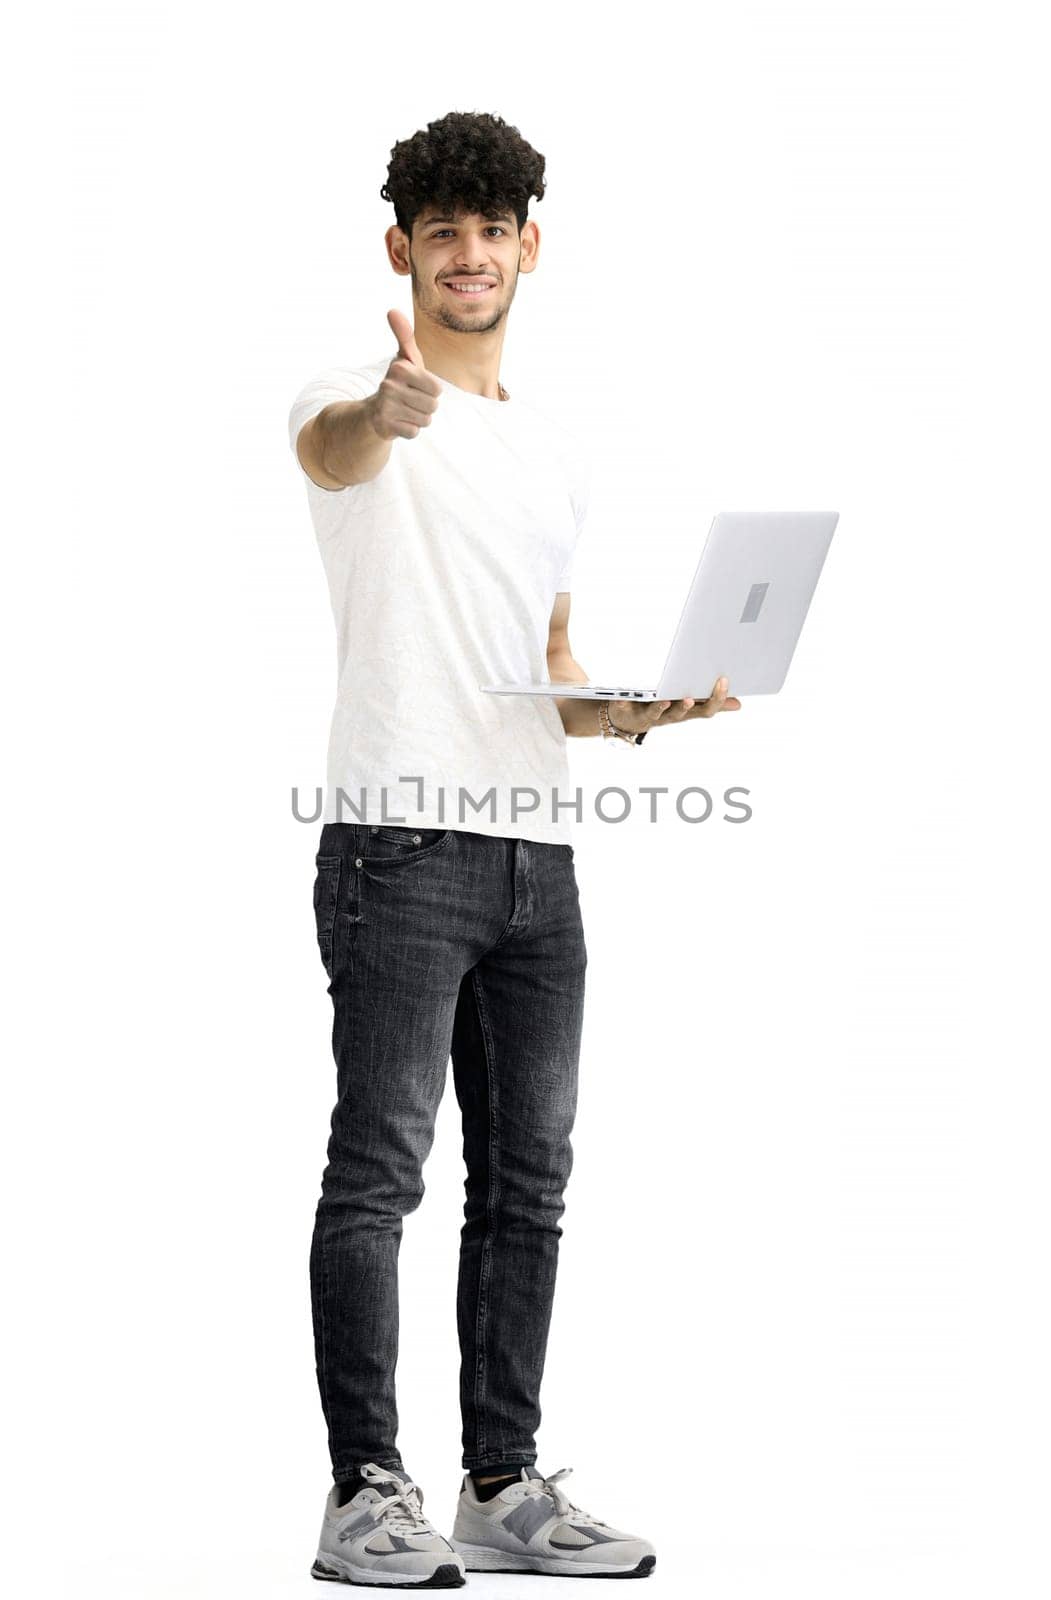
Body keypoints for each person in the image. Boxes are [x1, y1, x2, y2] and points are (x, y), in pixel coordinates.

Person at [287, 110, 740, 1588]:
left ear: (529, 247)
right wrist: (389, 411)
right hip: (398, 850)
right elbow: (332, 449)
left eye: (493, 230)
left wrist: (640, 711)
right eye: (442, 232)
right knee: (379, 1177)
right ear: (402, 252)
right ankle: (367, 1493)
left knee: (529, 1183)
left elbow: (545, 663)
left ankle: (501, 1484)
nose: (469, 254)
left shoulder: (550, 452)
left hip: (539, 860)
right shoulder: (358, 399)